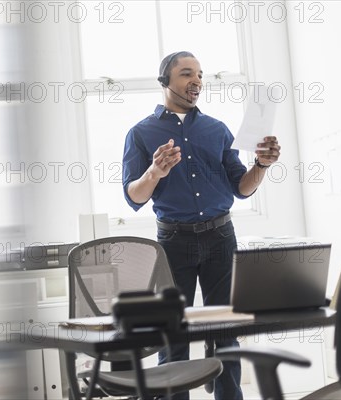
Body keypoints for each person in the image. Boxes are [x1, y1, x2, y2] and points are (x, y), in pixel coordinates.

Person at [121, 51, 281, 400]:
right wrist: (154, 172)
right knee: (174, 335)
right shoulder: (141, 133)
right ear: (165, 81)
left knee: (225, 332)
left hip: (221, 237)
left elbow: (241, 187)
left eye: (200, 75)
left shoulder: (217, 129)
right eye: (186, 74)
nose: (196, 81)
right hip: (173, 241)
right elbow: (133, 197)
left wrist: (262, 165)